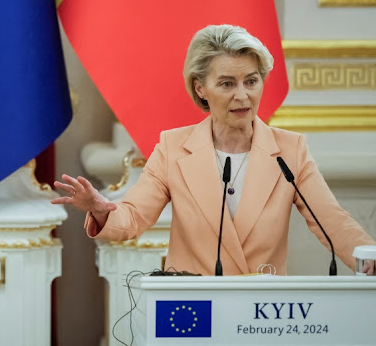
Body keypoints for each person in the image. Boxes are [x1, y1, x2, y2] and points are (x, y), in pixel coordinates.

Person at [53, 24, 375, 276]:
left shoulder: (290, 150)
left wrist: (369, 258)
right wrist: (99, 208)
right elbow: (134, 216)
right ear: (200, 88)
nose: (242, 96)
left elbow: (332, 221)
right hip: (195, 310)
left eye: (251, 81)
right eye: (226, 84)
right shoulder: (173, 148)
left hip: (262, 314)